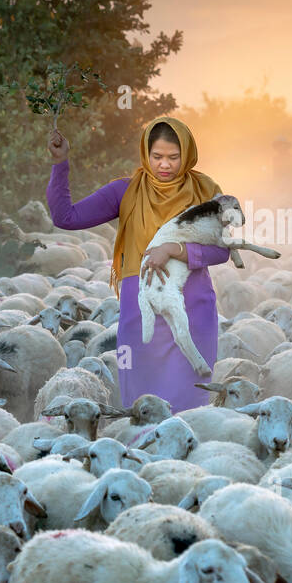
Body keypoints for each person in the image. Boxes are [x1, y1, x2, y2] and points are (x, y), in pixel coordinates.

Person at [45, 116, 230, 413]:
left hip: (193, 310)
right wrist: (60, 163)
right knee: (141, 407)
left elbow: (222, 250)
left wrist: (174, 249)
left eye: (173, 157)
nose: (165, 165)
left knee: (189, 407)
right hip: (141, 312)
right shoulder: (125, 192)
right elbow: (65, 217)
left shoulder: (206, 191)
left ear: (187, 154)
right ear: (146, 154)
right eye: (157, 157)